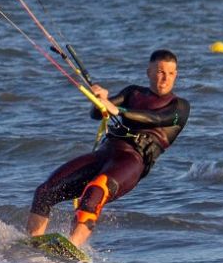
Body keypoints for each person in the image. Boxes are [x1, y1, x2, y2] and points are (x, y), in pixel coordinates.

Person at [25, 49, 190, 248]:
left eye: (171, 74)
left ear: (176, 75)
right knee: (45, 191)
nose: (165, 79)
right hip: (105, 152)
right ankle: (32, 244)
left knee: (96, 190)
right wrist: (101, 99)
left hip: (131, 161)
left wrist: (119, 110)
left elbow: (155, 118)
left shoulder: (179, 107)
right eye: (160, 72)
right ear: (148, 72)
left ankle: (72, 247)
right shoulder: (133, 92)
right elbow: (97, 113)